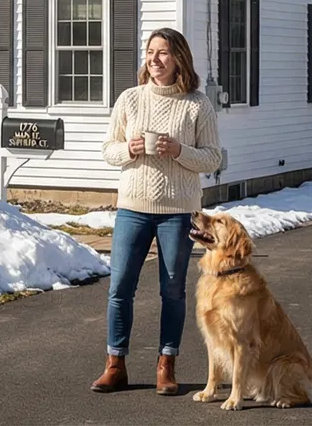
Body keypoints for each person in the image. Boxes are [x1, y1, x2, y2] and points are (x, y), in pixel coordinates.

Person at [92, 27, 223, 396]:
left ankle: (167, 365)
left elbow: (213, 157)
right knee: (119, 287)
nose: (154, 59)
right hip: (132, 208)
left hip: (179, 212)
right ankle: (115, 364)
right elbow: (107, 149)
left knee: (173, 290)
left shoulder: (198, 104)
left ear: (179, 57)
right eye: (150, 52)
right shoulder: (130, 99)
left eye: (163, 52)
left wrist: (179, 150)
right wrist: (128, 149)